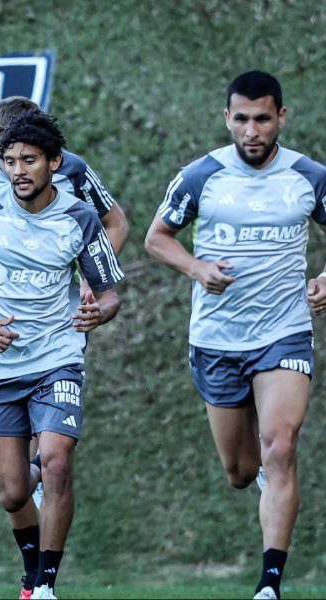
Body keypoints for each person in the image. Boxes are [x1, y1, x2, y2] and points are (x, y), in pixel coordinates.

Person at [0, 96, 129, 599]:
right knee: (12, 494)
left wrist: (96, 296)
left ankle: (47, 586)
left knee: (56, 459)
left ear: (53, 159)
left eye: (27, 157)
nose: (15, 167)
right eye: (7, 157)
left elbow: (114, 247)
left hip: (58, 352)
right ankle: (32, 569)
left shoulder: (77, 202)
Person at [144, 71, 326, 600]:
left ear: (282, 118)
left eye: (262, 119)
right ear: (227, 118)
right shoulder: (200, 177)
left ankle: (269, 584)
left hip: (285, 332)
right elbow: (158, 239)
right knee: (243, 471)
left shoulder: (309, 177)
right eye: (241, 119)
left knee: (281, 446)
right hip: (217, 339)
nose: (252, 130)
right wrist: (197, 268)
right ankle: (261, 477)